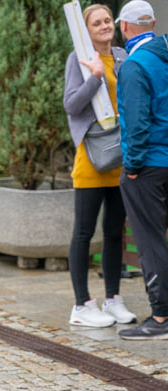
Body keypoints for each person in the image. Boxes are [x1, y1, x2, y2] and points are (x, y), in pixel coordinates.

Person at [63, 4, 136, 328]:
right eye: (97, 23)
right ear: (87, 30)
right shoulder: (78, 58)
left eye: (108, 20)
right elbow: (71, 104)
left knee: (113, 232)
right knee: (83, 233)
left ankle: (112, 299)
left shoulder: (123, 56)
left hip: (119, 158)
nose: (105, 26)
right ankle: (81, 305)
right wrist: (94, 78)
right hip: (92, 160)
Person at [116, 0, 168, 339]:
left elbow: (136, 122)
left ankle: (161, 317)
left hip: (148, 164)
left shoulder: (135, 65)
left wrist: (132, 166)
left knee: (150, 241)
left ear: (125, 27)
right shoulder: (164, 55)